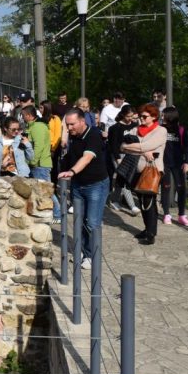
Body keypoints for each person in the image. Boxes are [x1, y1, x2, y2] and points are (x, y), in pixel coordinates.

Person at [58, 108, 110, 268]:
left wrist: (72, 171)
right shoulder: (73, 137)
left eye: (72, 124)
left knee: (92, 222)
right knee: (79, 221)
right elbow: (69, 157)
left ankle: (91, 256)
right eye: (67, 125)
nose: (69, 128)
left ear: (82, 121)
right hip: (78, 185)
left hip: (96, 185)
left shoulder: (93, 135)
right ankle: (81, 250)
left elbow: (86, 158)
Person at [120, 104, 167, 245]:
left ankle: (151, 233)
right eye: (140, 116)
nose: (141, 118)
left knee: (149, 201)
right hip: (137, 170)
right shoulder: (136, 129)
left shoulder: (161, 130)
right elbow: (122, 146)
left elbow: (145, 146)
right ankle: (147, 229)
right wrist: (142, 151)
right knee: (141, 201)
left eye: (145, 116)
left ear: (153, 117)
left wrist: (135, 148)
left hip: (152, 171)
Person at [22, 106, 61, 223]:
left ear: (29, 116)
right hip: (38, 164)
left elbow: (38, 147)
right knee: (45, 191)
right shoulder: (33, 126)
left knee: (46, 191)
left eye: (23, 115)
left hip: (40, 165)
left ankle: (57, 215)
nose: (22, 117)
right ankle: (55, 213)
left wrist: (32, 161)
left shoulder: (37, 127)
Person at [160, 107, 188, 227]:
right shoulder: (160, 129)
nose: (161, 117)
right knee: (166, 188)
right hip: (163, 163)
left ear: (170, 116)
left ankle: (182, 215)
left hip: (178, 163)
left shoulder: (181, 130)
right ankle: (166, 214)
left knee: (181, 188)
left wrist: (187, 162)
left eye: (163, 115)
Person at [107, 105, 141, 215]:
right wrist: (117, 159)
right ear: (123, 115)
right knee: (125, 178)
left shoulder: (135, 126)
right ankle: (132, 206)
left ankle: (114, 200)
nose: (130, 118)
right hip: (119, 156)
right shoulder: (115, 128)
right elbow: (113, 145)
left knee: (120, 179)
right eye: (128, 116)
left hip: (131, 155)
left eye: (132, 116)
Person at [40, 100, 62, 184]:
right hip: (43, 147)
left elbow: (58, 135)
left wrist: (53, 149)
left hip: (53, 147)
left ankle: (54, 187)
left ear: (47, 108)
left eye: (42, 107)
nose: (40, 109)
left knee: (53, 169)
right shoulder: (40, 119)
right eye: (40, 107)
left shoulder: (55, 119)